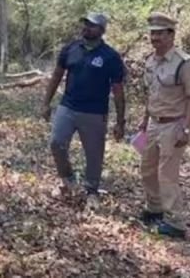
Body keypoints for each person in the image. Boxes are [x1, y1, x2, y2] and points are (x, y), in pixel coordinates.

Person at [40, 12, 126, 208]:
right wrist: (46, 102)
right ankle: (67, 179)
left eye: (92, 25)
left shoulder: (110, 57)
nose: (86, 27)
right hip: (68, 106)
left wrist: (120, 121)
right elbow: (56, 76)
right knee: (56, 142)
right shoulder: (70, 49)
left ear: (101, 31)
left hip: (95, 112)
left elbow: (118, 90)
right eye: (85, 24)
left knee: (94, 154)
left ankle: (91, 190)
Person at [138, 12, 190, 239]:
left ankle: (175, 221)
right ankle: (155, 209)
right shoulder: (150, 61)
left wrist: (186, 127)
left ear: (171, 35)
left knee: (167, 175)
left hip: (173, 125)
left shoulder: (184, 63)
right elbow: (152, 94)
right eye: (152, 33)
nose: (155, 38)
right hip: (154, 124)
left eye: (159, 33)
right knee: (147, 169)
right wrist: (145, 121)